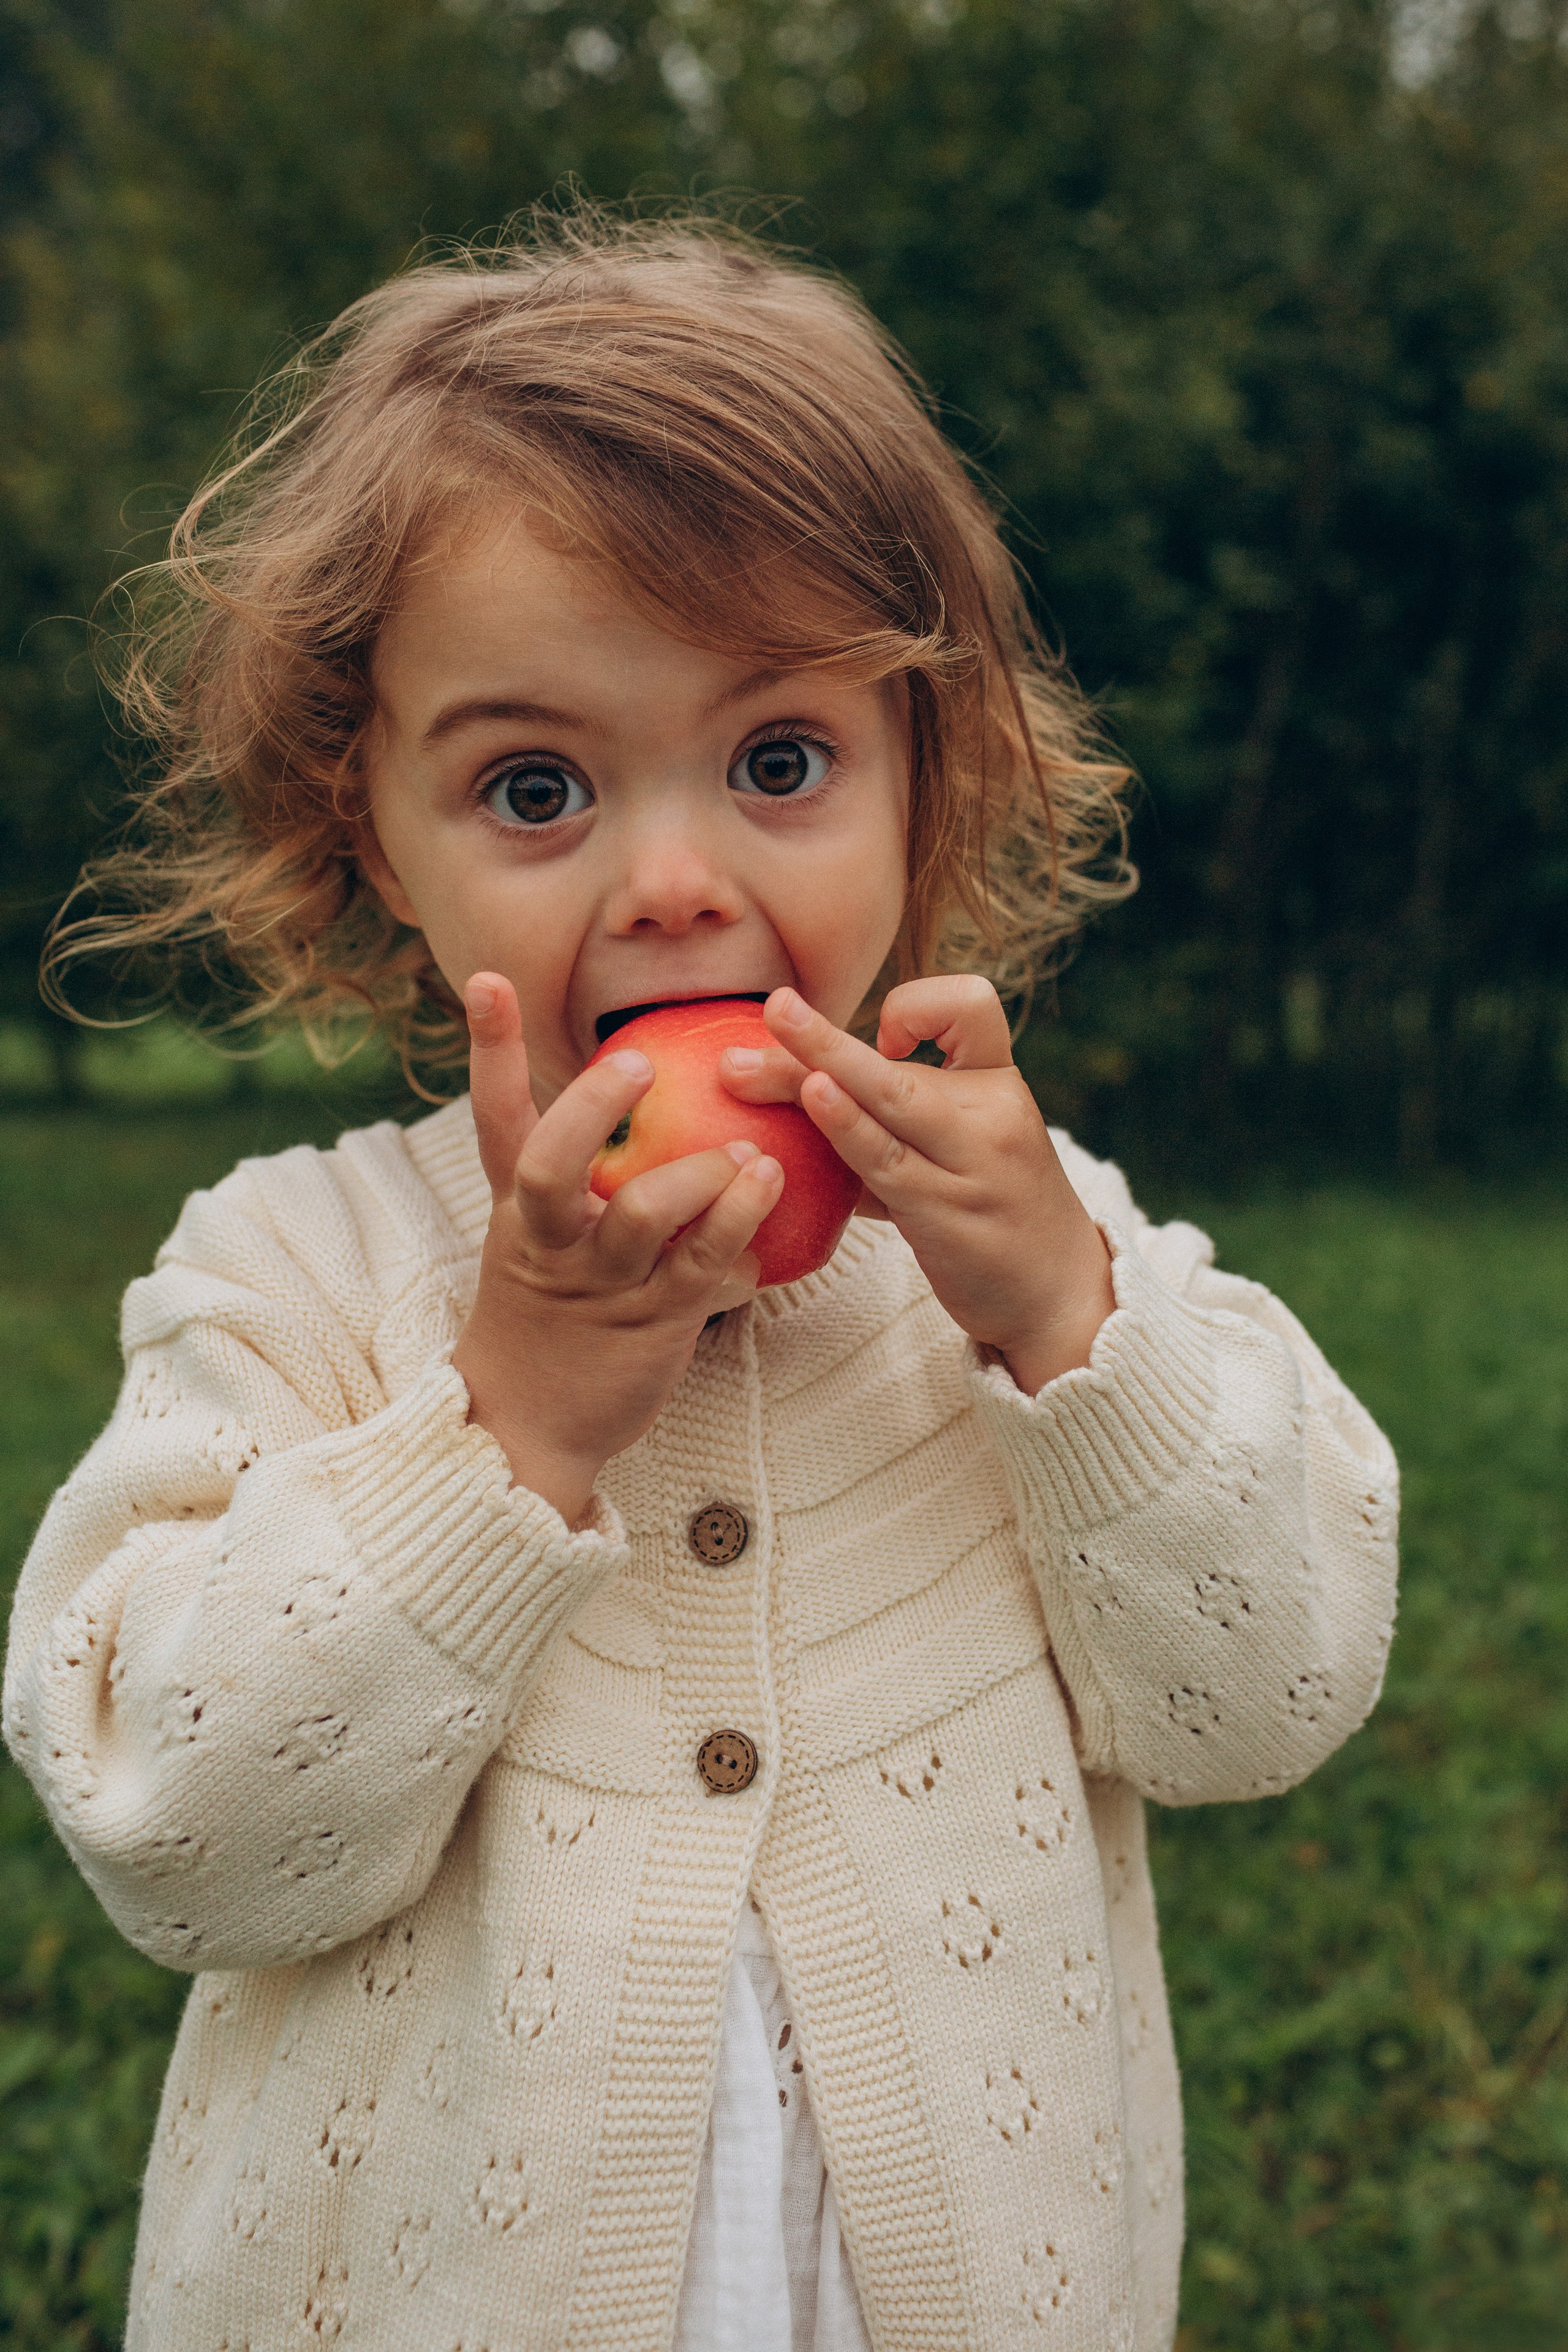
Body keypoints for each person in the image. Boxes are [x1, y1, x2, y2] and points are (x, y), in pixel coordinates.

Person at [2, 211, 1398, 2352]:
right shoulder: (295, 1273)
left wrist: (1065, 1323)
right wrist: (509, 1435)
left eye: (777, 761)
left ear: (927, 766)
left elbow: (1271, 1698)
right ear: (376, 829)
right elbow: (177, 1836)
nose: (675, 884)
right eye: (536, 786)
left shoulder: (1038, 1251)